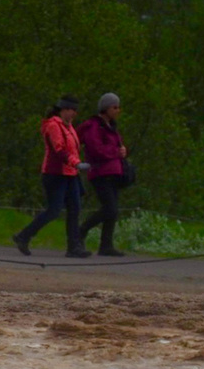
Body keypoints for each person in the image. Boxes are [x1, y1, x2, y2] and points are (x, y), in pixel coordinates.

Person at [12, 96, 86, 257]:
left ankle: (74, 247)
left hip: (71, 173)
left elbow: (73, 149)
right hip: (55, 173)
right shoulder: (53, 125)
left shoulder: (69, 127)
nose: (74, 113)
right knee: (54, 210)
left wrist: (77, 165)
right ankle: (24, 236)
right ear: (64, 109)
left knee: (75, 209)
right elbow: (58, 150)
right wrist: (76, 163)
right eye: (72, 110)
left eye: (75, 111)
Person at [77, 92, 128, 257]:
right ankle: (81, 230)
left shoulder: (111, 127)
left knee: (112, 209)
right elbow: (96, 149)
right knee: (110, 208)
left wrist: (122, 151)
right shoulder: (94, 126)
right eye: (115, 107)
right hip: (100, 172)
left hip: (113, 172)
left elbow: (115, 147)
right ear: (105, 108)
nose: (117, 110)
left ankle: (106, 245)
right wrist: (116, 152)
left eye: (118, 107)